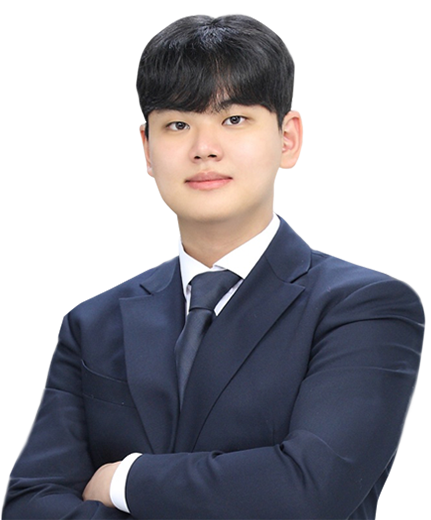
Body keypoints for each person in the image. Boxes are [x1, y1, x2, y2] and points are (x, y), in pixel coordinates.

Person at [2, 14, 424, 520]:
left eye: (234, 119)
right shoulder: (95, 324)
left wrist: (125, 479)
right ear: (148, 149)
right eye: (178, 125)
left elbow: (309, 491)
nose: (204, 148)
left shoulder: (365, 308)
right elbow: (28, 503)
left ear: (288, 138)